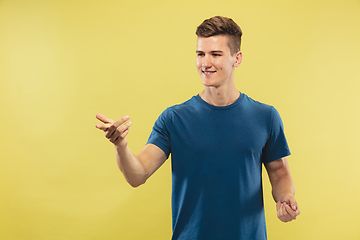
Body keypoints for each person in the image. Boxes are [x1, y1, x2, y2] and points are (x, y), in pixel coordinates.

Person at [95, 16, 300, 240]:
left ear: (237, 58)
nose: (205, 63)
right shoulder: (174, 119)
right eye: (200, 54)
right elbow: (138, 174)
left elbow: (279, 173)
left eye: (216, 54)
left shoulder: (265, 116)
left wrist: (285, 197)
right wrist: (121, 146)